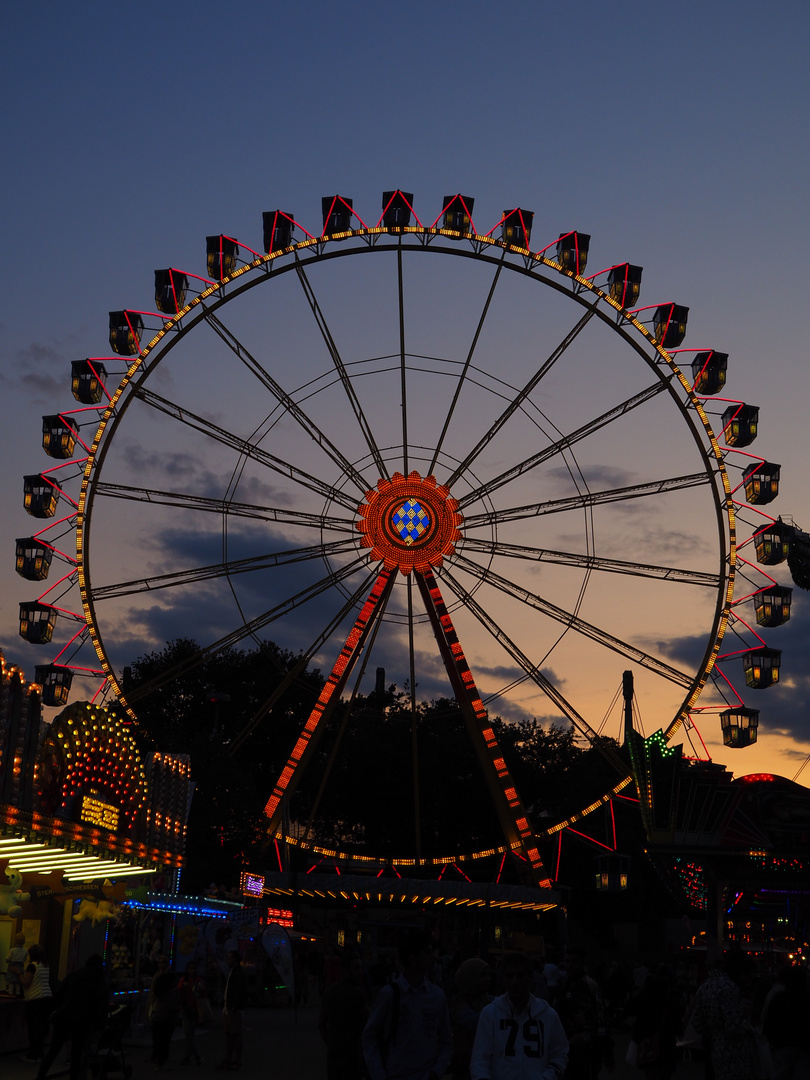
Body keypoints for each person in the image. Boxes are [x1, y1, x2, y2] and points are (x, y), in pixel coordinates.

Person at [362, 929, 453, 1080]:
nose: (433, 958)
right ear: (413, 958)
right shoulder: (390, 995)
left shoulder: (437, 996)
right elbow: (370, 1036)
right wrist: (379, 1074)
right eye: (428, 952)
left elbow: (446, 1040)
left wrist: (436, 1071)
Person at [470, 951, 568, 1080]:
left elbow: (559, 1054)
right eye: (510, 976)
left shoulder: (548, 1015)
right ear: (503, 980)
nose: (515, 981)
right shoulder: (490, 1014)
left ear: (531, 978)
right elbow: (480, 1059)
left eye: (520, 976)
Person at [36, 953, 108, 1080]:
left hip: (64, 1018)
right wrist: (99, 1025)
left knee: (53, 1050)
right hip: (83, 1022)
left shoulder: (74, 975)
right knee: (76, 1054)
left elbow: (59, 993)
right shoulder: (98, 982)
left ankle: (41, 1075)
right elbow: (100, 1006)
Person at [689, 950, 759, 1080]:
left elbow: (697, 1022)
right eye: (747, 974)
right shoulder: (730, 988)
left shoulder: (707, 985)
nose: (748, 980)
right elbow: (734, 1027)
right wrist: (748, 1026)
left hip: (716, 1049)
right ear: (740, 971)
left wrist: (714, 1032)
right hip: (735, 1053)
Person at [556, 947, 606, 1080]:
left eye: (574, 962)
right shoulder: (567, 984)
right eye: (566, 961)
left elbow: (596, 1021)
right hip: (568, 1050)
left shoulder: (587, 985)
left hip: (584, 1051)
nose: (569, 966)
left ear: (583, 963)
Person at [319, 952, 369, 1080]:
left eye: (360, 968)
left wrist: (330, 1042)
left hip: (334, 1050)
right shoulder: (358, 994)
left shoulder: (330, 991)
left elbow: (321, 1024)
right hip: (352, 1053)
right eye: (356, 968)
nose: (361, 972)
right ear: (346, 971)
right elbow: (367, 1026)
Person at [629, 964, 683, 1080]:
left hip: (649, 1040)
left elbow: (633, 1010)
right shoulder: (672, 996)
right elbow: (678, 1022)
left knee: (650, 1073)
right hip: (667, 1041)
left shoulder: (647, 994)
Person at [449, 957, 493, 1079]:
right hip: (462, 1067)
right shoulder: (456, 1004)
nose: (488, 979)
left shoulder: (493, 1002)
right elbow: (475, 1022)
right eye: (482, 976)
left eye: (488, 975)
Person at [19, 943, 53, 1062]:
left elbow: (26, 982)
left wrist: (18, 974)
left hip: (35, 1000)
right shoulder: (45, 966)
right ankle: (40, 1053)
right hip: (47, 998)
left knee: (34, 1028)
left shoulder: (32, 967)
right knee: (41, 1028)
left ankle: (32, 1055)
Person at [149, 955, 180, 1069]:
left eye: (163, 963)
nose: (160, 965)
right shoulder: (159, 977)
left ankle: (160, 1058)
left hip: (163, 1013)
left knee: (161, 1038)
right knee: (162, 1038)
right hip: (164, 1013)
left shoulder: (166, 978)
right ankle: (159, 1057)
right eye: (159, 962)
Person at [218, 949, 247, 1071]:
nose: (227, 960)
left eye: (229, 958)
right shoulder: (234, 972)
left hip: (232, 1009)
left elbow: (239, 991)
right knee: (230, 1035)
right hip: (229, 1008)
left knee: (235, 1035)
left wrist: (233, 1007)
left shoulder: (237, 973)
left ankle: (236, 1061)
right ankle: (229, 1059)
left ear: (235, 959)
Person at [178, 960, 205, 1066]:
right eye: (190, 969)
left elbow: (203, 992)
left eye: (194, 969)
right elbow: (178, 990)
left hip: (194, 1009)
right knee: (189, 1033)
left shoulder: (199, 980)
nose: (192, 971)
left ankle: (188, 1057)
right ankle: (196, 1056)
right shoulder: (183, 980)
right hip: (185, 1008)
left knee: (190, 1034)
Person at [5, 932, 28, 997]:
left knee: (11, 983)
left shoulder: (12, 950)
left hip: (12, 967)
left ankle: (10, 994)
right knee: (18, 983)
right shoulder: (25, 951)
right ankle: (17, 994)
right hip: (20, 968)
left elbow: (7, 959)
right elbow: (25, 959)